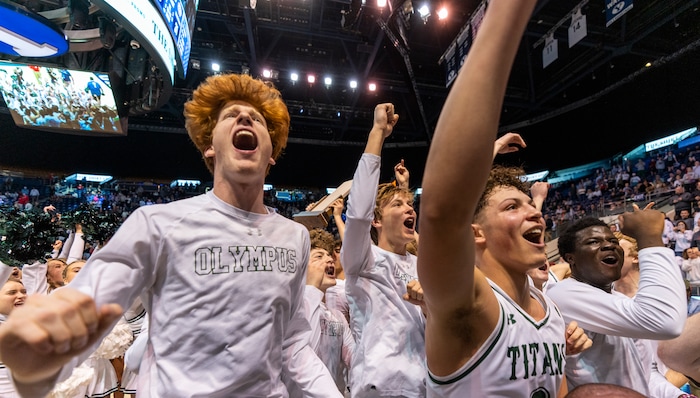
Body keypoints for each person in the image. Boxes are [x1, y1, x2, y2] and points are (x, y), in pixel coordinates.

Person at [0, 73, 341, 397]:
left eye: (257, 119)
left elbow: (293, 343)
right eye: (231, 115)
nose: (245, 119)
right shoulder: (157, 224)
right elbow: (91, 301)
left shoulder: (294, 236)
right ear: (209, 145)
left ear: (273, 152)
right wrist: (44, 343)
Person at [416, 0, 570, 396]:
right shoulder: (467, 303)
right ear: (476, 234)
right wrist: (506, 12)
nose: (535, 214)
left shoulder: (550, 311)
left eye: (530, 205)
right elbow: (441, 212)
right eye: (512, 206)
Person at [547, 212, 687, 395]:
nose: (608, 246)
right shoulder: (563, 294)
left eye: (613, 241)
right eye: (593, 242)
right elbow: (666, 322)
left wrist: (677, 395)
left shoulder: (619, 300)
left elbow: (646, 374)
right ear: (570, 258)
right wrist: (649, 236)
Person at [341, 102, 425, 397]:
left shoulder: (420, 264)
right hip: (382, 388)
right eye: (398, 205)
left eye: (411, 205)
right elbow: (359, 213)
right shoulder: (363, 260)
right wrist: (378, 133)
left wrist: (404, 189)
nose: (409, 209)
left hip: (427, 386)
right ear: (377, 220)